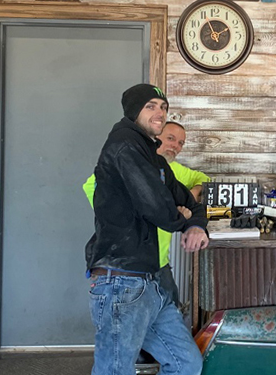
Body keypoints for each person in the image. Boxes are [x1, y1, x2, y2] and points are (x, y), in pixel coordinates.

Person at [84, 83, 208, 375]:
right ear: (134, 111)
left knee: (185, 365)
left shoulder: (151, 157)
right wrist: (178, 217)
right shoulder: (124, 148)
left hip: (150, 283)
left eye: (163, 107)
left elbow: (189, 201)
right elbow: (160, 209)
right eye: (151, 106)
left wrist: (194, 222)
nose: (160, 113)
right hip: (121, 281)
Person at [83, 120, 210, 306]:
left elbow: (204, 178)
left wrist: (193, 193)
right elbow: (89, 186)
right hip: (127, 266)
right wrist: (127, 211)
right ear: (157, 136)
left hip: (160, 263)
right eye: (171, 138)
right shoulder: (127, 159)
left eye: (180, 143)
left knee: (170, 317)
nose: (175, 146)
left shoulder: (174, 170)